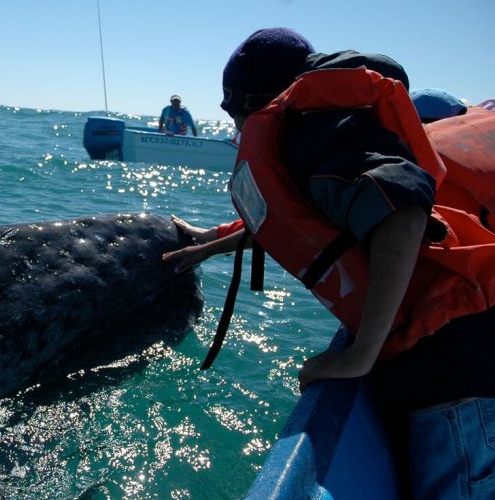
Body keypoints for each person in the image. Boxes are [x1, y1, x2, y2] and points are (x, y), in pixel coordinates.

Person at [162, 27, 495, 499]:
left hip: (456, 358)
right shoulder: (324, 125)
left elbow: (401, 211)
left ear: (249, 99)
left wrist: (359, 356)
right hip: (461, 342)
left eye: (228, 106)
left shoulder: (313, 133)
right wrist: (208, 244)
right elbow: (308, 222)